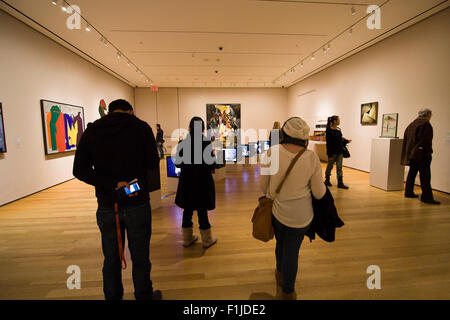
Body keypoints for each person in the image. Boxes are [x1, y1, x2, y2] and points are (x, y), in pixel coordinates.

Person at [73, 99, 162, 300]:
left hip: (107, 204)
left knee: (111, 258)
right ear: (130, 111)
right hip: (137, 202)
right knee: (140, 257)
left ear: (110, 112)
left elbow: (79, 170)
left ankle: (112, 297)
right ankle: (144, 296)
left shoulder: (93, 130)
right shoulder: (140, 127)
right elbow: (153, 163)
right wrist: (133, 182)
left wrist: (112, 183)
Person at [259, 117, 326, 300]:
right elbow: (319, 193)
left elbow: (263, 187)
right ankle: (288, 291)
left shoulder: (271, 153)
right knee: (292, 251)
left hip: (277, 212)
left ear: (283, 133)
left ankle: (280, 274)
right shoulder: (311, 157)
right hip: (302, 216)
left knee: (280, 243)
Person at [174, 117, 218, 248]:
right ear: (203, 128)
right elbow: (211, 164)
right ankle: (207, 240)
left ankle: (187, 239)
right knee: (202, 210)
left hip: (187, 181)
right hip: (202, 182)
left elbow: (177, 162)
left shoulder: (183, 142)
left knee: (187, 210)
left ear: (190, 127)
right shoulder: (206, 143)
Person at [401, 108, 440, 205]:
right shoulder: (426, 124)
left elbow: (407, 140)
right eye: (430, 115)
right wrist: (425, 152)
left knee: (412, 173)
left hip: (412, 155)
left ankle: (408, 192)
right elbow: (425, 141)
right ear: (428, 115)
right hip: (422, 155)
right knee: (425, 176)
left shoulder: (412, 124)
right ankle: (426, 197)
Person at [324, 115, 352, 189]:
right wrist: (329, 154)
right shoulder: (329, 131)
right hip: (332, 152)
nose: (339, 121)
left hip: (340, 152)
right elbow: (328, 143)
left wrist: (346, 141)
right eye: (338, 119)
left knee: (339, 167)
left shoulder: (338, 130)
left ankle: (340, 183)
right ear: (334, 121)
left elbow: (340, 140)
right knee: (330, 166)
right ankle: (327, 180)